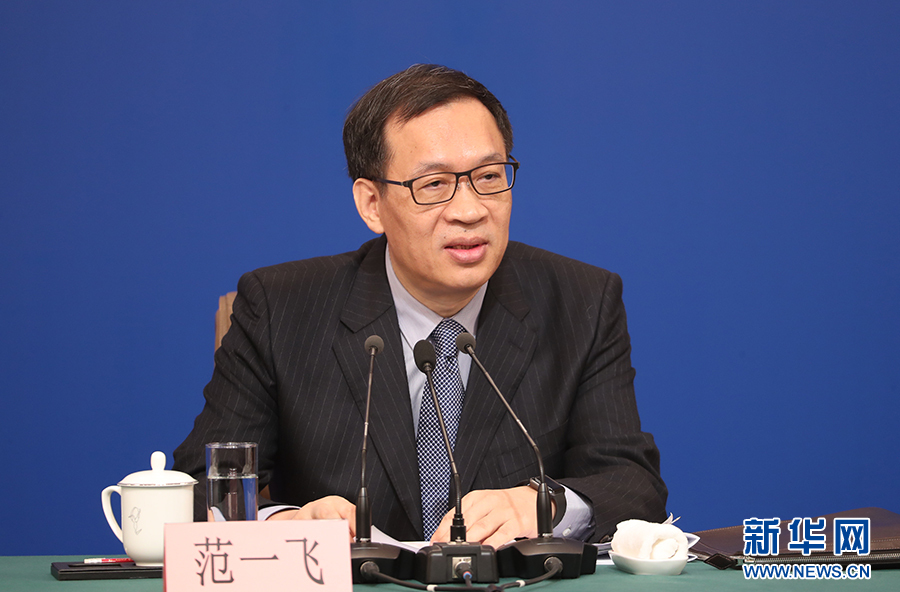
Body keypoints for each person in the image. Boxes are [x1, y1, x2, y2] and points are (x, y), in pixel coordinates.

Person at [173, 64, 667, 548]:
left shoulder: (580, 300)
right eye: (433, 185)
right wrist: (289, 523)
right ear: (371, 204)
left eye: (489, 176)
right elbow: (199, 485)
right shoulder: (282, 308)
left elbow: (633, 484)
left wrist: (544, 505)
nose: (470, 210)